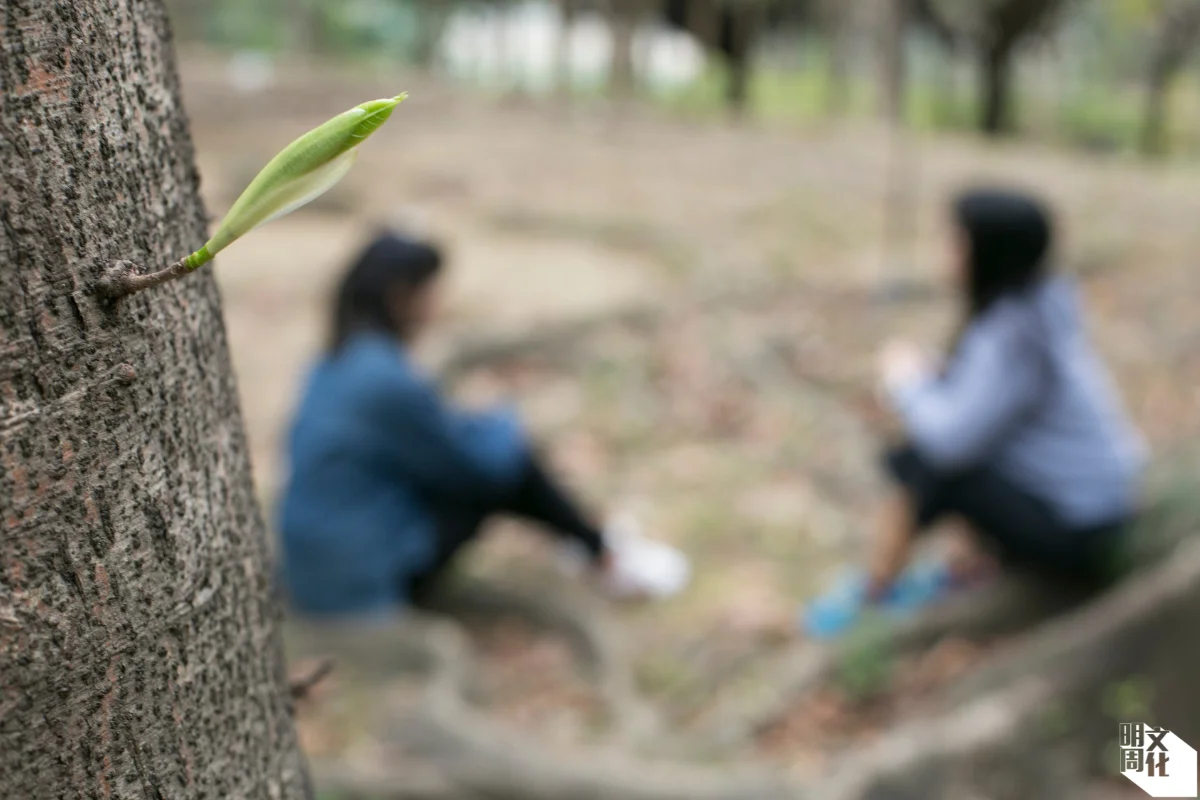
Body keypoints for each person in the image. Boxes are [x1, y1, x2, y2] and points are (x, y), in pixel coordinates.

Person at [806, 188, 1146, 637]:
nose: (944, 252)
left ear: (986, 251)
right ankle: (958, 569)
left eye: (954, 241)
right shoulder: (1032, 311)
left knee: (927, 466)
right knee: (946, 460)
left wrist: (907, 382)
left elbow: (950, 443)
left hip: (1082, 530)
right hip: (1089, 507)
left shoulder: (1016, 339)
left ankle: (872, 598)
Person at [277, 231, 635, 618]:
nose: (439, 305)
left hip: (312, 568)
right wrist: (507, 422)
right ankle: (603, 554)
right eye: (432, 292)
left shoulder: (332, 361)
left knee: (498, 450)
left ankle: (594, 547)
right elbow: (467, 468)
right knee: (510, 467)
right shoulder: (385, 379)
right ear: (401, 296)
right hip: (362, 578)